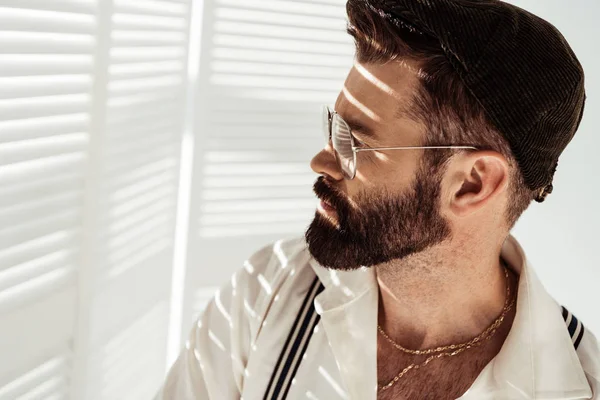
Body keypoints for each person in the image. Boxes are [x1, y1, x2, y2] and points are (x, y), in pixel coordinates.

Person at [155, 0, 600, 399]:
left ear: (472, 185)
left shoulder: (576, 385)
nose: (321, 161)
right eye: (333, 126)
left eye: (354, 142)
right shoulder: (267, 292)